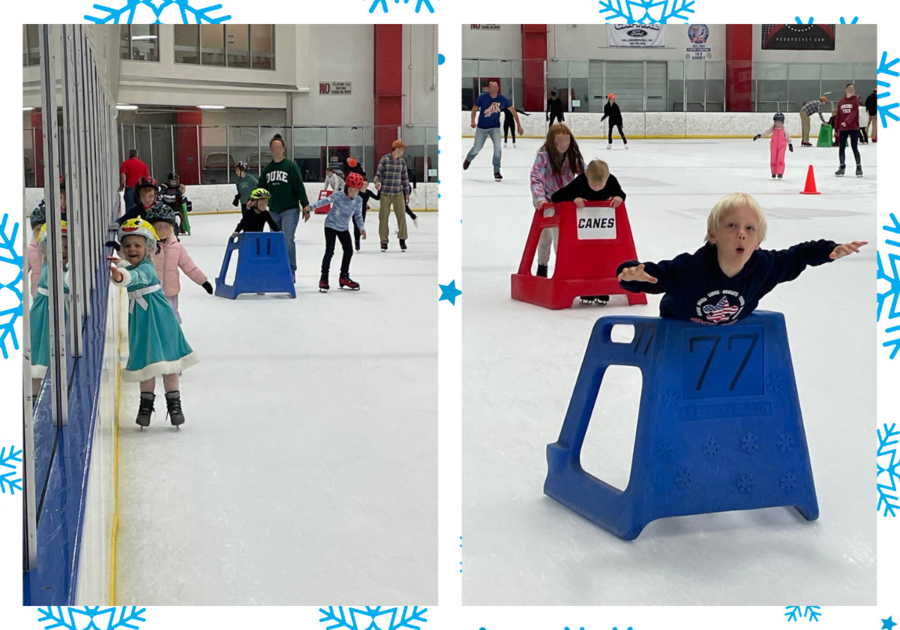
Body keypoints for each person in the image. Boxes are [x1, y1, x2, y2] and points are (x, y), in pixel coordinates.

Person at [616, 193, 867, 325]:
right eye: (731, 226)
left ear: (758, 241)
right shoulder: (691, 269)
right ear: (713, 234)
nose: (741, 234)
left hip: (727, 339)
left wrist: (829, 250)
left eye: (750, 229)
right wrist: (631, 274)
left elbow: (798, 255)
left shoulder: (765, 267)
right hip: (679, 331)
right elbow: (654, 275)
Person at [109, 218, 198, 428]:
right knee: (145, 363)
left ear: (149, 248)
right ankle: (145, 405)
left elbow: (134, 276)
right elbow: (128, 268)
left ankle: (174, 404)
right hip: (141, 321)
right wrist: (117, 264)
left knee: (168, 364)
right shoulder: (135, 264)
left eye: (137, 245)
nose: (132, 249)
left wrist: (119, 274)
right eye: (128, 245)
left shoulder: (148, 267)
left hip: (160, 320)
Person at [551, 159, 627, 305]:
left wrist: (618, 197)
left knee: (602, 259)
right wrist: (574, 198)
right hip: (583, 230)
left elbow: (621, 194)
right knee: (585, 259)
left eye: (601, 185)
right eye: (593, 185)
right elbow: (557, 197)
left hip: (604, 230)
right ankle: (586, 290)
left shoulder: (611, 181)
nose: (598, 188)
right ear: (586, 176)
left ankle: (602, 290)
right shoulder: (580, 181)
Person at [529, 123, 585, 278]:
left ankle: (563, 267)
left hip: (564, 201)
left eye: (567, 141)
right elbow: (536, 178)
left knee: (560, 235)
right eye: (560, 141)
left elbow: (585, 173)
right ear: (553, 142)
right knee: (544, 236)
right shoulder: (543, 156)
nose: (564, 145)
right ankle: (542, 266)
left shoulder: (572, 155)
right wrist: (540, 198)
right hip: (546, 200)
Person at [146, 204, 212, 325]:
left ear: (171, 228)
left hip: (171, 293)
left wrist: (203, 282)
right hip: (152, 292)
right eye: (157, 227)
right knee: (154, 320)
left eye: (165, 227)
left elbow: (189, 267)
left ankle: (173, 338)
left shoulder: (177, 247)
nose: (161, 230)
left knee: (171, 319)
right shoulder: (148, 247)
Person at [257, 133, 310, 282]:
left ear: (283, 149)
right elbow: (261, 187)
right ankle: (276, 268)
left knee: (287, 239)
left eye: (278, 147)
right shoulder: (268, 169)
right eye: (273, 147)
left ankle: (291, 270)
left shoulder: (290, 166)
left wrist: (305, 205)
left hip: (290, 210)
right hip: (273, 210)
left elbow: (299, 186)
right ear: (270, 149)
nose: (276, 149)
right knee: (274, 240)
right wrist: (253, 199)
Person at [305, 172, 366, 292]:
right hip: (330, 226)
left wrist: (362, 228)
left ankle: (344, 277)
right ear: (347, 187)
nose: (354, 193)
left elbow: (358, 216)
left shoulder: (358, 200)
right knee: (329, 251)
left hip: (343, 228)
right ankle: (324, 278)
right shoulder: (338, 195)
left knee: (349, 251)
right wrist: (311, 207)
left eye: (357, 190)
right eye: (352, 190)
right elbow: (325, 201)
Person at [30, 221, 68, 396]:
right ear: (44, 249)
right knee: (40, 361)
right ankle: (35, 400)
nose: (63, 251)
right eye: (58, 247)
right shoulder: (49, 270)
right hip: (44, 317)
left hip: (54, 314)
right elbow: (64, 282)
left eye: (67, 246)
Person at [464, 80, 524, 181]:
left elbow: (513, 110)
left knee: (497, 148)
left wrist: (519, 125)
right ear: (489, 88)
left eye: (496, 87)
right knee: (477, 148)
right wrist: (472, 121)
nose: (495, 89)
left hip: (495, 127)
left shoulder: (502, 99)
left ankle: (497, 171)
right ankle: (469, 159)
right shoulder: (482, 98)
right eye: (493, 87)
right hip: (482, 128)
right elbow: (474, 108)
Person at [375, 139, 411, 252]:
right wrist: (377, 182)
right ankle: (384, 241)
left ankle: (402, 239)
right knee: (383, 218)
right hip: (385, 193)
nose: (402, 152)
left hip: (398, 193)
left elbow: (405, 178)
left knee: (401, 217)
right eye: (401, 149)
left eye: (403, 150)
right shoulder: (384, 159)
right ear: (395, 149)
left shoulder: (402, 162)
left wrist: (407, 193)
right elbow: (378, 174)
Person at [753, 113, 794, 179]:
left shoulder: (784, 130)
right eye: (776, 122)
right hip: (774, 145)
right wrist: (759, 135)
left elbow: (788, 138)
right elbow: (766, 132)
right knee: (773, 159)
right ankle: (774, 172)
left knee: (780, 158)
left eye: (779, 122)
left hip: (782, 146)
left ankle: (780, 172)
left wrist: (790, 145)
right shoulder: (773, 128)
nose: (778, 124)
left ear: (782, 122)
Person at [835, 83, 863, 178]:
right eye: (849, 88)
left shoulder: (855, 100)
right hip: (843, 129)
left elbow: (854, 113)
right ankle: (842, 166)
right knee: (841, 147)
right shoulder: (841, 101)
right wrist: (836, 128)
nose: (851, 90)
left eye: (852, 88)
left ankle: (858, 167)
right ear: (846, 89)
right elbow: (838, 115)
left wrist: (846, 122)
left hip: (853, 127)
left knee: (854, 147)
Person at [354, 175, 380, 252]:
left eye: (366, 184)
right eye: (363, 184)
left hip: (363, 212)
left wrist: (379, 190)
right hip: (355, 211)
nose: (364, 186)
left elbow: (377, 198)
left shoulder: (368, 192)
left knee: (361, 226)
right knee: (356, 226)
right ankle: (357, 242)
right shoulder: (356, 191)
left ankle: (357, 241)